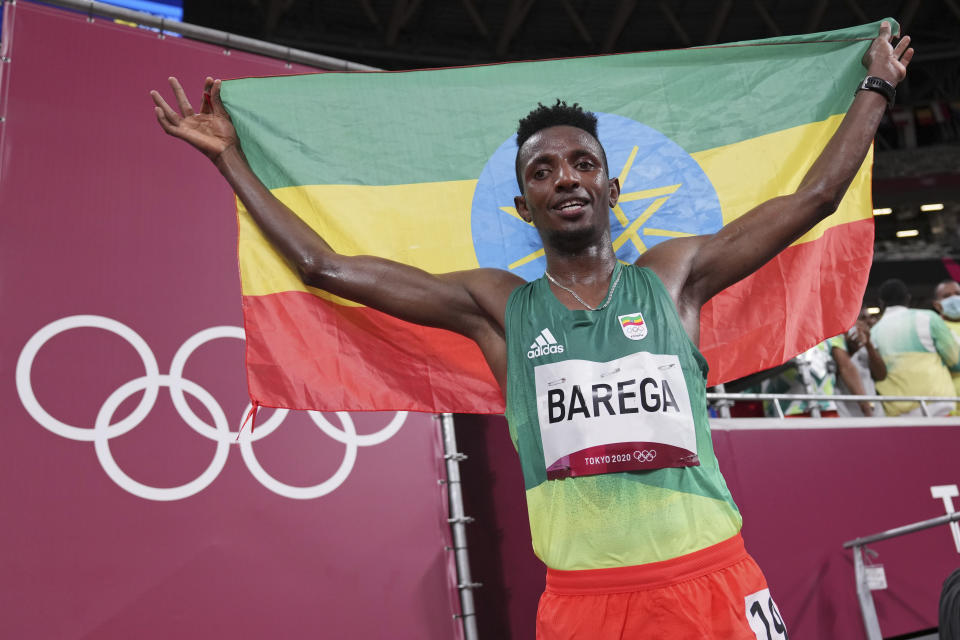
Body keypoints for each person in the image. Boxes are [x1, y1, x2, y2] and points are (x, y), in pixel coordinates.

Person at [151, 23, 911, 639]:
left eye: (582, 163)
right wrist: (232, 162)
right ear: (523, 206)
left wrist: (876, 86)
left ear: (613, 188)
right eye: (543, 172)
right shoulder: (498, 306)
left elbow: (814, 197)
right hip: (584, 604)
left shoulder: (674, 275)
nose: (566, 178)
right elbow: (323, 266)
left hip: (710, 579)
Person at [872, 278, 959, 416]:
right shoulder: (928, 318)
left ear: (881, 303)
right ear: (908, 298)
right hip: (938, 402)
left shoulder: (873, 332)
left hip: (897, 409)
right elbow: (954, 360)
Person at [831, 308, 887, 417]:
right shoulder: (834, 337)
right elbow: (833, 375)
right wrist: (850, 352)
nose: (867, 322)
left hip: (874, 409)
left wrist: (869, 345)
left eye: (868, 317)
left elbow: (881, 375)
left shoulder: (868, 338)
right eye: (861, 318)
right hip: (845, 412)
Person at [933, 279, 960, 398]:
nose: (954, 298)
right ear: (937, 304)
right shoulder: (934, 328)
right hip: (950, 403)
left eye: (958, 294)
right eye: (946, 296)